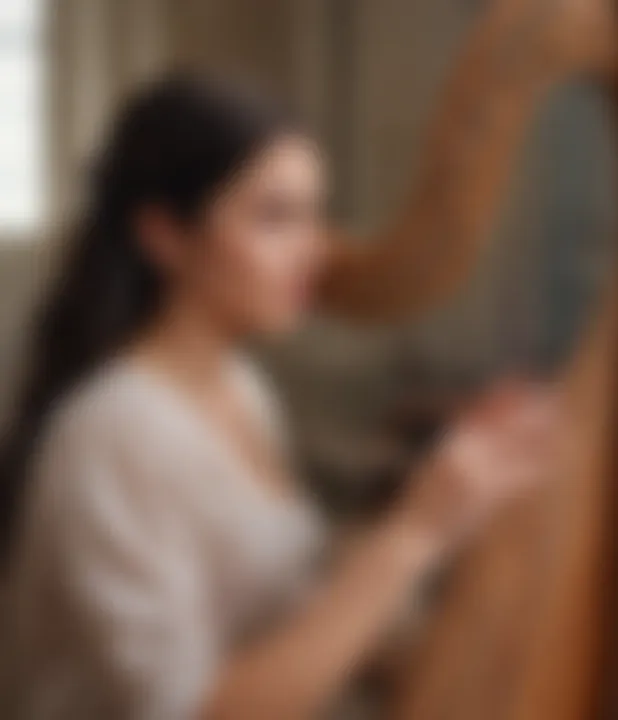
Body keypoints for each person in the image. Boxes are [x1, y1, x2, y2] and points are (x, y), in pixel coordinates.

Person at [0, 75, 561, 720]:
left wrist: (440, 489)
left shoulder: (243, 385)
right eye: (276, 217)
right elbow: (196, 709)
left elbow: (288, 604)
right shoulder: (110, 434)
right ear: (165, 236)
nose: (316, 249)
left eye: (314, 215)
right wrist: (417, 530)